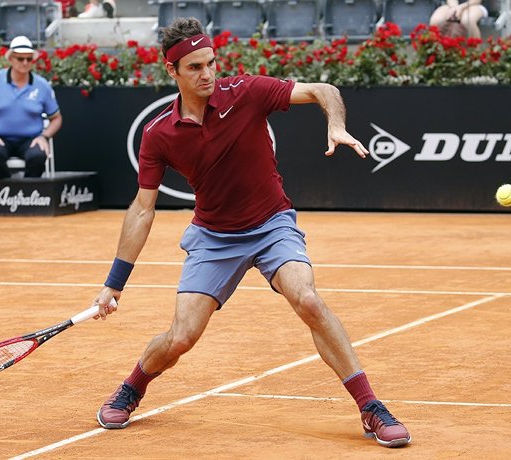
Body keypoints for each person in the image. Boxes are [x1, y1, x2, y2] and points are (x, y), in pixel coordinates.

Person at [91, 17, 411, 449]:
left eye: (211, 63)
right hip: (214, 236)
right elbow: (142, 209)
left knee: (308, 299)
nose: (208, 74)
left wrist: (334, 123)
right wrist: (114, 283)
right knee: (182, 336)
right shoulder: (159, 134)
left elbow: (324, 90)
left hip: (271, 223)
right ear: (172, 71)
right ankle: (133, 386)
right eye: (195, 67)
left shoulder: (246, 92)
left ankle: (371, 407)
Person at [0, 36, 62, 179]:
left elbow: (56, 118)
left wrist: (44, 136)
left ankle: (30, 194)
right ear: (11, 59)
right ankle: (5, 191)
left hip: (31, 139)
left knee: (38, 155)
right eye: (20, 59)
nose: (25, 63)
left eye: (29, 59)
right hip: (0, 138)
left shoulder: (42, 85)